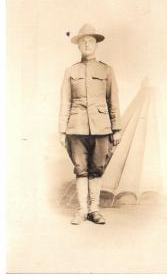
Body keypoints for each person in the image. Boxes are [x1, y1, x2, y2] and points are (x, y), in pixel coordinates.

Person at [59, 24, 121, 225]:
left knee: (97, 169)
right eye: (83, 41)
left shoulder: (106, 70)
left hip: (101, 128)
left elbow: (113, 101)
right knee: (80, 168)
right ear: (78, 46)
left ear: (96, 44)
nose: (87, 43)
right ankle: (82, 210)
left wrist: (117, 128)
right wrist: (62, 130)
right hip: (75, 128)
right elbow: (65, 102)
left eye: (90, 40)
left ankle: (94, 210)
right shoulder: (71, 71)